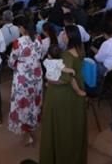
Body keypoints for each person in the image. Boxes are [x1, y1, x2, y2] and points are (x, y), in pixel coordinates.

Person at [39, 25, 88, 164]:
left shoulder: (66, 55)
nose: (62, 35)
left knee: (60, 130)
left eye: (65, 33)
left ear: (70, 36)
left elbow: (64, 79)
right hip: (75, 94)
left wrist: (48, 80)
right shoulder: (80, 50)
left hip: (62, 96)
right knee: (73, 128)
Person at [7, 16, 45, 146]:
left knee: (22, 102)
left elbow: (11, 62)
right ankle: (32, 124)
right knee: (34, 100)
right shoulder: (39, 38)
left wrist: (18, 66)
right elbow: (40, 55)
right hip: (37, 73)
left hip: (23, 76)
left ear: (22, 28)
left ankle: (26, 130)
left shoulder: (18, 42)